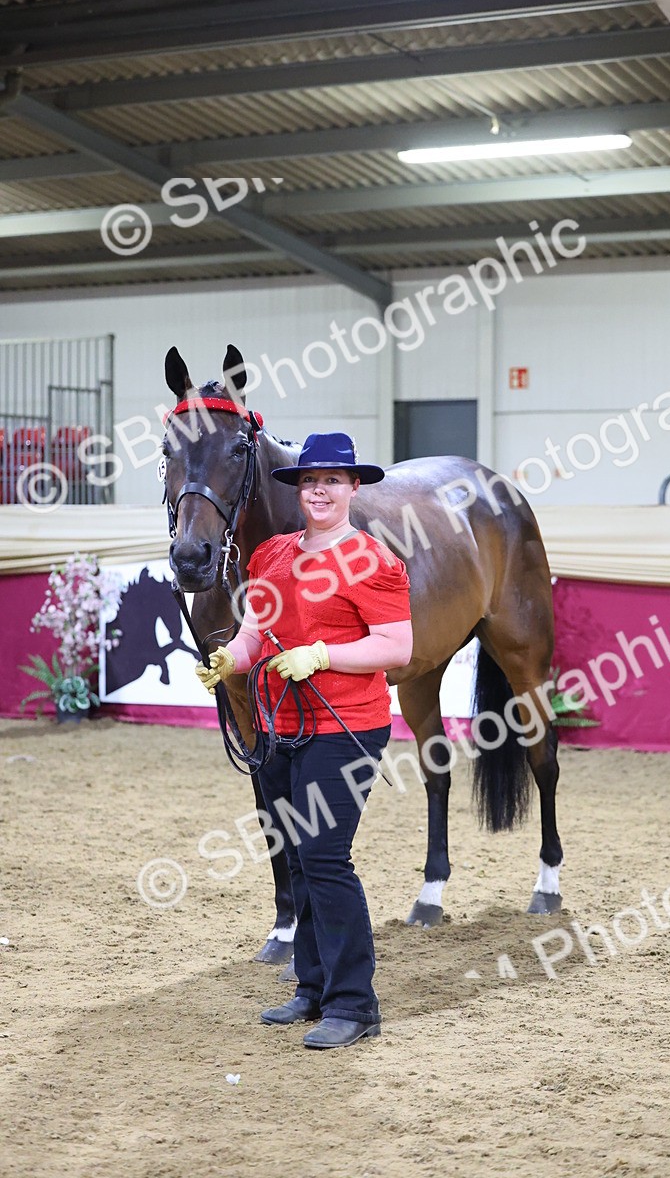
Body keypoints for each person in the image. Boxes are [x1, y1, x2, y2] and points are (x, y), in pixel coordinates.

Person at [195, 432, 412, 1050]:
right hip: (280, 725)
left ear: (352, 489)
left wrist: (323, 654)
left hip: (347, 726)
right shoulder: (270, 556)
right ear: (299, 490)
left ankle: (354, 1002)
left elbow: (397, 647)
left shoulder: (373, 560)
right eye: (310, 482)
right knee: (296, 855)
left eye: (333, 481)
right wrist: (227, 661)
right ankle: (312, 987)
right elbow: (255, 633)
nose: (320, 491)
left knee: (324, 856)